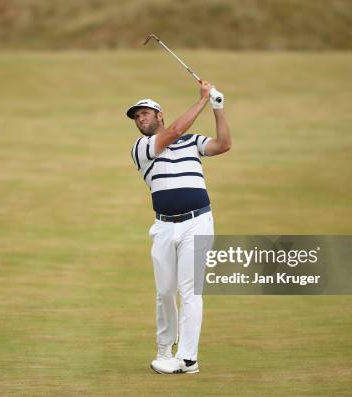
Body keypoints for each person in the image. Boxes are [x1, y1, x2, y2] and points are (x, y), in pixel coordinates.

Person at [126, 81, 231, 374]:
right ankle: (164, 348)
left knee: (190, 291)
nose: (141, 119)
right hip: (163, 228)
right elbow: (174, 132)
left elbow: (223, 145)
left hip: (198, 222)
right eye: (137, 116)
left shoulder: (192, 142)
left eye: (145, 113)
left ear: (160, 114)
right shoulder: (142, 147)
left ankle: (188, 359)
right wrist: (201, 100)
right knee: (165, 292)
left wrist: (218, 108)